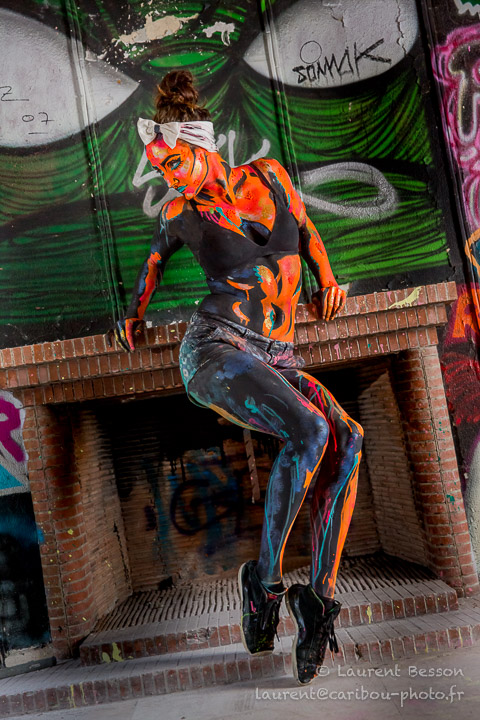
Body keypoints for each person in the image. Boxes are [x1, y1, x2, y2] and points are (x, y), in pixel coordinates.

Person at [113, 70, 363, 685]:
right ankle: (266, 586)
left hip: (277, 354)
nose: (169, 178)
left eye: (174, 163)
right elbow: (152, 262)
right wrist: (133, 313)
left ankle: (319, 602)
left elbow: (305, 227)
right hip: (215, 349)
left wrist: (328, 278)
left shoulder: (269, 175)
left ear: (201, 145)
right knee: (310, 431)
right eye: (160, 170)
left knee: (348, 438)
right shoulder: (181, 212)